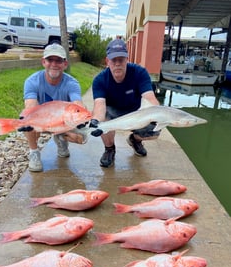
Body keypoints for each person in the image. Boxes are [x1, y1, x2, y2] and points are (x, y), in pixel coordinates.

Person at [90, 38, 160, 168]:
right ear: (107, 61)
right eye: (113, 60)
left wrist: (158, 113)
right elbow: (99, 106)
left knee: (155, 130)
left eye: (121, 59)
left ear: (127, 59)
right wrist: (95, 121)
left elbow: (149, 97)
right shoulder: (99, 80)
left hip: (136, 112)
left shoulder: (140, 73)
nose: (117, 63)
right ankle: (109, 149)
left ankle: (135, 140)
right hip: (113, 112)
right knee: (102, 120)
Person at [22, 43, 85, 172]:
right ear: (43, 62)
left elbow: (77, 102)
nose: (54, 64)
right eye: (50, 60)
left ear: (65, 64)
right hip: (42, 121)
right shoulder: (32, 81)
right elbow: (30, 105)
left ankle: (61, 138)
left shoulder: (72, 83)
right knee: (25, 117)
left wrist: (82, 120)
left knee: (82, 137)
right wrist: (29, 120)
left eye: (58, 60)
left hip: (62, 122)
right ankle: (34, 152)